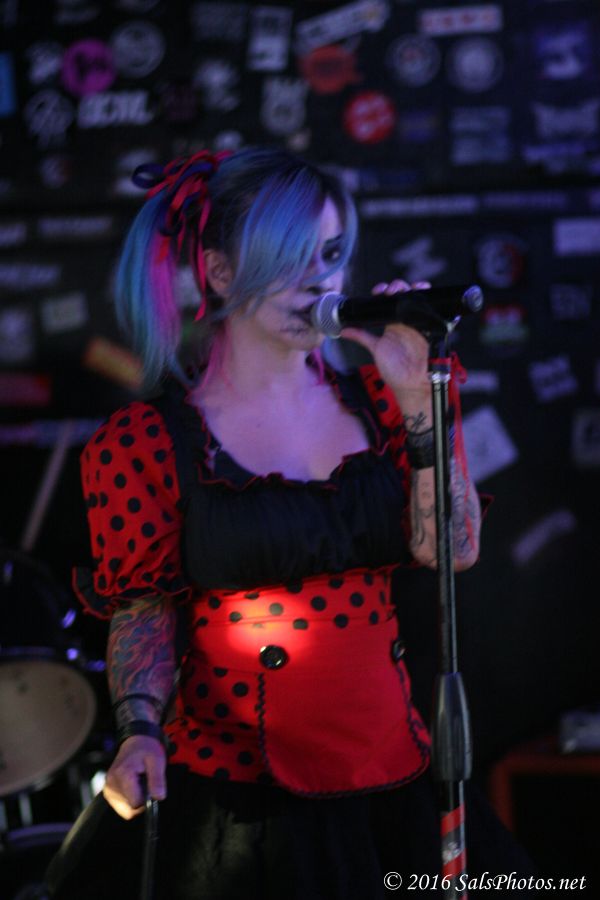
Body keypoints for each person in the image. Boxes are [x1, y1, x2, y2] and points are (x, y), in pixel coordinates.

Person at [49, 146, 532, 900]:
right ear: (218, 273)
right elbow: (144, 608)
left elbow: (454, 550)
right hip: (238, 798)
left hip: (389, 772)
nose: (319, 281)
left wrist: (418, 402)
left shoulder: (388, 401)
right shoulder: (149, 443)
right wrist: (139, 730)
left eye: (331, 255)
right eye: (288, 259)